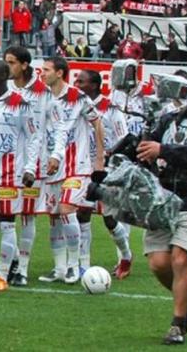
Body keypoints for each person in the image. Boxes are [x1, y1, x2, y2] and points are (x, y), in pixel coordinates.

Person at [135, 68, 187, 344]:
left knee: (180, 258)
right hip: (163, 200)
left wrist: (163, 151)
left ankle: (177, 325)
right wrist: (138, 151)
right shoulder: (170, 118)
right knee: (159, 264)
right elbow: (147, 150)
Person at [41, 57, 105, 284]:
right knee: (54, 216)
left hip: (76, 165)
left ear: (59, 73)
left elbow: (97, 122)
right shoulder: (43, 96)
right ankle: (59, 268)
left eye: (46, 70)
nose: (42, 73)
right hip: (52, 165)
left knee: (67, 209)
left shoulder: (77, 97)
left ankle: (74, 266)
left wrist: (99, 158)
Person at [0, 60, 37, 292]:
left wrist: (31, 167)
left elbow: (33, 137)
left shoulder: (20, 104)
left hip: (9, 175)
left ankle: (2, 274)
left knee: (7, 224)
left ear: (4, 75)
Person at [74, 70, 133, 279]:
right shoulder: (76, 105)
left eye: (81, 81)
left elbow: (125, 138)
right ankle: (83, 264)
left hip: (108, 169)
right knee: (82, 212)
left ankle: (126, 256)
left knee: (110, 218)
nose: (76, 83)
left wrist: (109, 155)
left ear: (95, 85)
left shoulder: (110, 108)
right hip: (84, 167)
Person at [5, 46, 54, 285]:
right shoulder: (5, 89)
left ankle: (22, 269)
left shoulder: (43, 92)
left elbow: (53, 126)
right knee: (3, 214)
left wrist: (54, 156)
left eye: (11, 62)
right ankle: (12, 260)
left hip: (35, 162)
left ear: (24, 65)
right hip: (6, 162)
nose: (8, 67)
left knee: (27, 215)